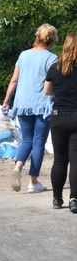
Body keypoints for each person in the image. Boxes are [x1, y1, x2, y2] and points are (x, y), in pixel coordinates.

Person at [2, 23, 58, 194]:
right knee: (39, 141)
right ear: (52, 40)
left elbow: (14, 80)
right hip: (43, 104)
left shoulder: (23, 55)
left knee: (27, 140)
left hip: (23, 103)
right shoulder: (52, 59)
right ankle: (33, 182)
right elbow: (54, 83)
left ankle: (18, 166)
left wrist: (6, 101)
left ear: (37, 37)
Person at [45, 32, 77, 211]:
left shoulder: (55, 68)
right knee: (76, 160)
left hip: (58, 116)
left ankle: (57, 199)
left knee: (59, 160)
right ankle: (74, 198)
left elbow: (47, 91)